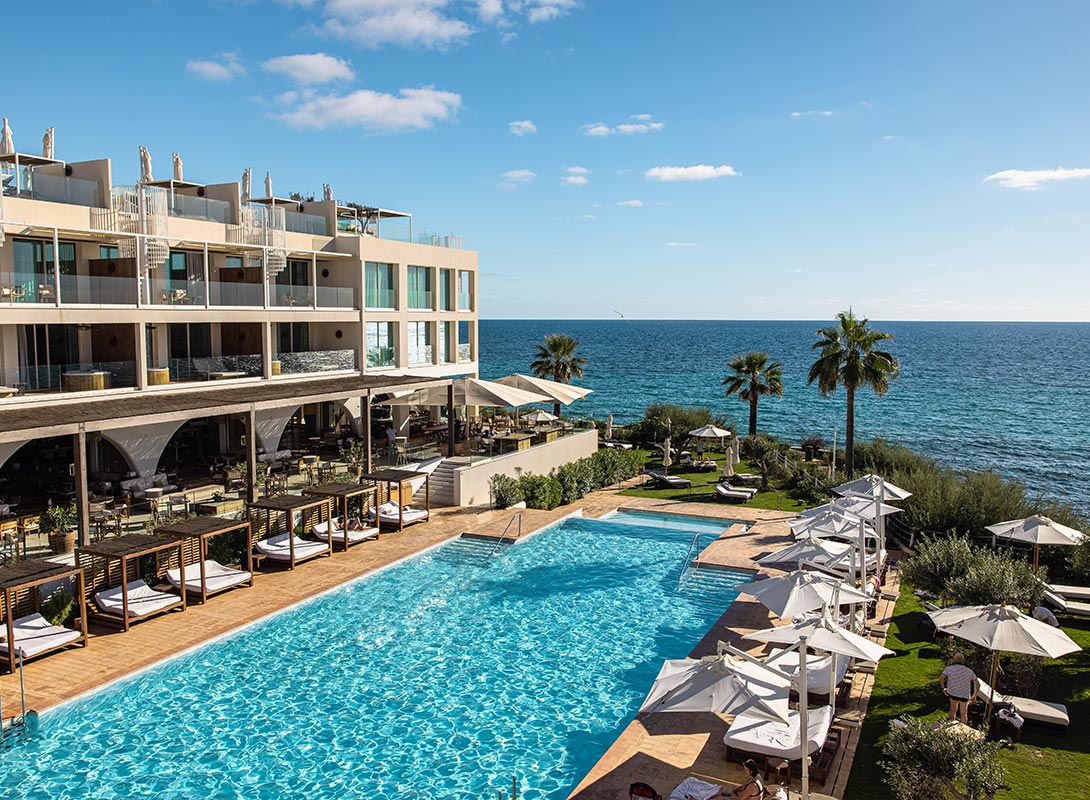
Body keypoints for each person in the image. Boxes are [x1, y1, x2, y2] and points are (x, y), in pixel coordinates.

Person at [940, 652, 978, 723]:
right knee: (963, 714)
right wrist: (974, 695)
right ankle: (963, 731)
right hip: (964, 695)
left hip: (953, 693)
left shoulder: (949, 669)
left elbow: (941, 678)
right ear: (963, 660)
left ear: (954, 660)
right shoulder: (969, 671)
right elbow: (977, 683)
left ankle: (951, 727)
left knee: (952, 711)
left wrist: (943, 689)